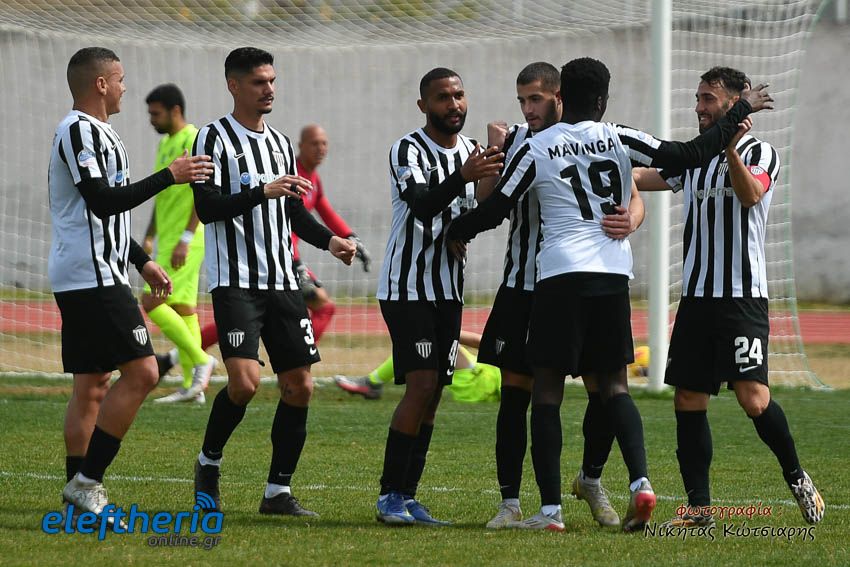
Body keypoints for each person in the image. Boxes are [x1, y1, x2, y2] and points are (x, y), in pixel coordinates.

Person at [448, 57, 773, 532]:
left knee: (547, 391)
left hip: (559, 277)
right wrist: (739, 110)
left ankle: (550, 511)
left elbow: (495, 208)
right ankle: (640, 482)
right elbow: (687, 154)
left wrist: (455, 230)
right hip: (612, 276)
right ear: (602, 101)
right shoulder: (619, 136)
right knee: (614, 387)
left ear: (562, 98)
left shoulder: (537, 147)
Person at [633, 66, 824, 527]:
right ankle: (699, 510)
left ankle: (797, 477)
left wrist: (731, 149)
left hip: (742, 298)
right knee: (688, 398)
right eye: (698, 98)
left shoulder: (762, 152)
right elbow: (643, 177)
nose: (698, 107)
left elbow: (750, 194)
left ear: (734, 104)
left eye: (708, 99)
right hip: (697, 298)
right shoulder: (695, 156)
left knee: (753, 398)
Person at [474, 62, 645, 530]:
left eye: (536, 99)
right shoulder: (515, 142)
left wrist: (632, 218)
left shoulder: (593, 140)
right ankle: (510, 502)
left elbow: (635, 191)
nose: (528, 109)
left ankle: (591, 479)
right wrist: (494, 150)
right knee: (515, 397)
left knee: (603, 394)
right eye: (522, 100)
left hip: (572, 286)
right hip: (522, 287)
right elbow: (486, 201)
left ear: (559, 98)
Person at [190, 47, 356, 518]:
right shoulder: (212, 138)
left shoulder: (282, 144)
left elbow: (293, 212)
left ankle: (277, 492)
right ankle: (208, 463)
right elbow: (207, 208)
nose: (269, 89)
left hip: (283, 281)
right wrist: (261, 190)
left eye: (272, 81)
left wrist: (330, 241)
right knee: (244, 384)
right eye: (259, 82)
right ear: (234, 85)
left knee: (300, 386)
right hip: (235, 282)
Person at [51, 47, 213, 516]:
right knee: (142, 372)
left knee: (92, 385)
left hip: (97, 271)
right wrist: (170, 175)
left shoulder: (105, 134)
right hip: (91, 277)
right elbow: (102, 201)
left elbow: (107, 218)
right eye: (120, 79)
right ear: (101, 84)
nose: (125, 87)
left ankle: (77, 493)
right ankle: (87, 482)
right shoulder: (78, 130)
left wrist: (141, 261)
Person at [374, 67, 503, 525]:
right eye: (443, 97)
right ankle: (389, 496)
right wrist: (462, 176)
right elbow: (423, 204)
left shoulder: (473, 150)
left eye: (459, 95)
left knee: (434, 395)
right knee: (422, 385)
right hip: (407, 287)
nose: (454, 105)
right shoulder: (407, 149)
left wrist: (462, 226)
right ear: (423, 105)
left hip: (448, 289)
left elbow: (486, 209)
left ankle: (409, 497)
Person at [139, 83, 215, 404]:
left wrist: (185, 237)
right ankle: (191, 388)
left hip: (187, 240)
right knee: (184, 310)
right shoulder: (165, 144)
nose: (151, 120)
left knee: (151, 300)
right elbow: (161, 196)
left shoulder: (193, 139)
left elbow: (203, 191)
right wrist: (150, 235)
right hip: (168, 240)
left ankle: (201, 360)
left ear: (175, 111)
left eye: (156, 114)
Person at [294, 124, 372, 341]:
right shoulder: (294, 177)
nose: (321, 148)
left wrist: (352, 238)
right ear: (300, 146)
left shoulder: (314, 179)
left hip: (287, 259)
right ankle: (299, 355)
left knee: (250, 316)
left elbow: (326, 212)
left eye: (324, 143)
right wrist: (296, 264)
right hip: (281, 258)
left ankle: (297, 354)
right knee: (323, 306)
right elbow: (288, 224)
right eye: (314, 143)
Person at [334, 331, 502, 403]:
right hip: (481, 371)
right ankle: (372, 382)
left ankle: (372, 382)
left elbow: (484, 343)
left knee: (428, 338)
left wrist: (446, 330)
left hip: (480, 382)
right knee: (424, 338)